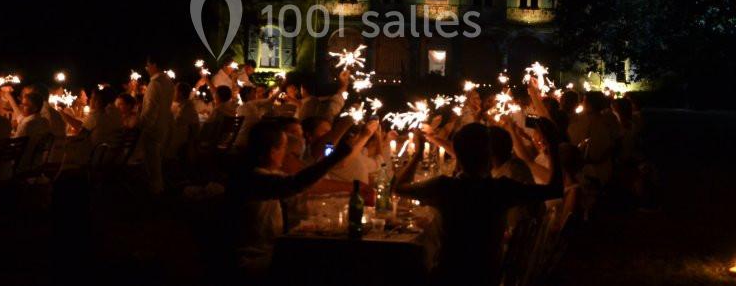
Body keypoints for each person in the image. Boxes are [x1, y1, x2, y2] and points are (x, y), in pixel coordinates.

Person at [393, 120, 563, 286]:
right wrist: (553, 145)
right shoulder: (501, 189)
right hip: (487, 276)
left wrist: (418, 153)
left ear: (457, 155)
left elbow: (398, 188)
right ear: (489, 156)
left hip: (448, 275)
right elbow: (555, 189)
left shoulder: (444, 187)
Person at [225, 120, 353, 272]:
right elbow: (296, 183)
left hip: (273, 252)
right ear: (273, 152)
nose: (286, 153)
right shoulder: (251, 180)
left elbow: (303, 187)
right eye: (284, 148)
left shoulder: (266, 175)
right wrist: (334, 158)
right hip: (254, 261)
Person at [140, 53, 175, 195]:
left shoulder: (155, 84)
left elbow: (150, 111)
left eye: (148, 65)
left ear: (154, 65)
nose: (147, 68)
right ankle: (158, 191)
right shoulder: (168, 82)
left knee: (152, 166)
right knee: (157, 164)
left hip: (152, 131)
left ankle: (155, 195)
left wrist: (140, 128)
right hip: (164, 126)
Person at [14, 90, 52, 172]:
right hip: (37, 164)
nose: (21, 107)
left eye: (25, 105)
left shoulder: (27, 124)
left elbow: (16, 146)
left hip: (21, 164)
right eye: (22, 104)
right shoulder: (45, 122)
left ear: (35, 108)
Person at [166, 82, 200, 159]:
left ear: (180, 93)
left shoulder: (186, 108)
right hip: (184, 140)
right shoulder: (184, 105)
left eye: (175, 91)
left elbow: (175, 124)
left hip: (181, 143)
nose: (173, 93)